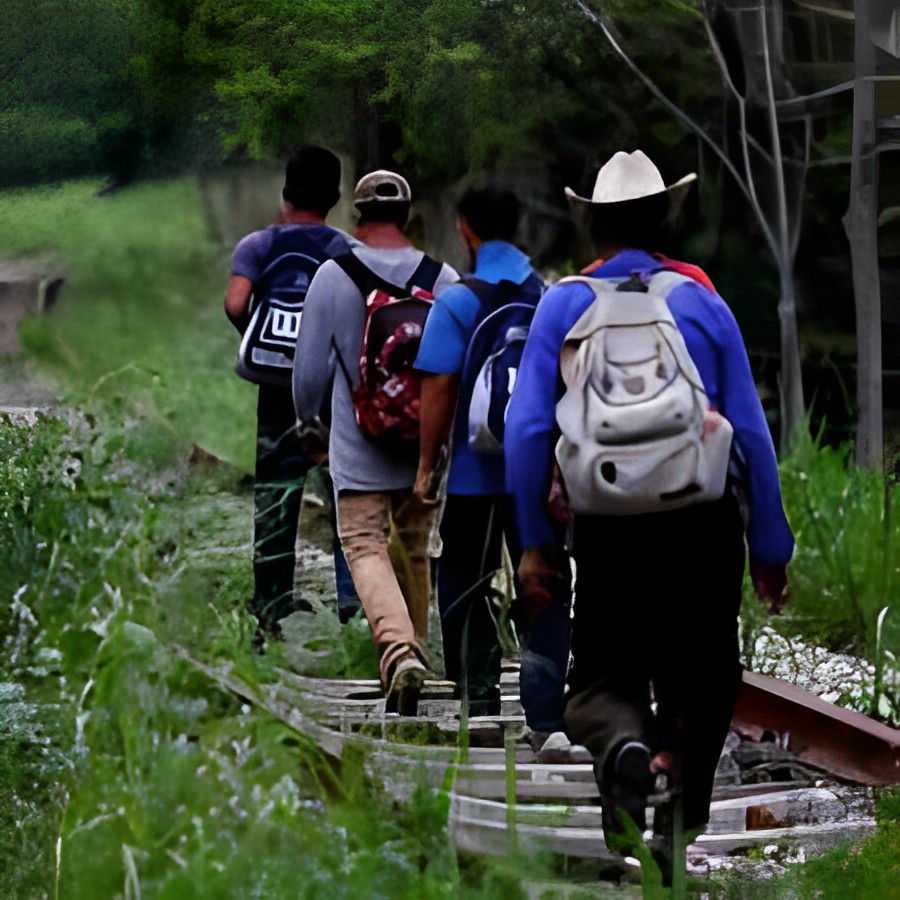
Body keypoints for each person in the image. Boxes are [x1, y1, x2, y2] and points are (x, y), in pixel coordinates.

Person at [504, 150, 794, 866]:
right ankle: (680, 813)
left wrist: (536, 544)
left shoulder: (565, 303)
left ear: (591, 223)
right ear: (665, 216)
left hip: (608, 522)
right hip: (703, 520)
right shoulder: (702, 301)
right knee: (704, 672)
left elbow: (529, 428)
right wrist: (770, 549)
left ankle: (627, 752)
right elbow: (751, 433)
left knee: (602, 677)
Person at [292, 170, 458, 714]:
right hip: (424, 448)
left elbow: (308, 375)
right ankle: (422, 658)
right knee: (413, 544)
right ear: (408, 215)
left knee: (363, 543)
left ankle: (398, 650)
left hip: (361, 444)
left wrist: (308, 424)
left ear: (357, 217)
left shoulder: (335, 276)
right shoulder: (445, 279)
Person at [413, 186, 572, 747]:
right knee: (546, 578)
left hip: (477, 475)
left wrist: (427, 465)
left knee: (463, 577)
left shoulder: (458, 301)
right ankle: (546, 714)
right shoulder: (548, 296)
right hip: (539, 474)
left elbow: (436, 385)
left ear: (465, 230)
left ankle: (478, 700)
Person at [224, 144, 361, 649]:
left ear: (286, 189)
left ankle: (271, 610)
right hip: (332, 394)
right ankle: (354, 609)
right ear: (334, 196)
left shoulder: (258, 244)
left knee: (275, 498)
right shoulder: (345, 248)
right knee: (346, 495)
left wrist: (263, 338)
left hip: (276, 393)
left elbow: (236, 302)